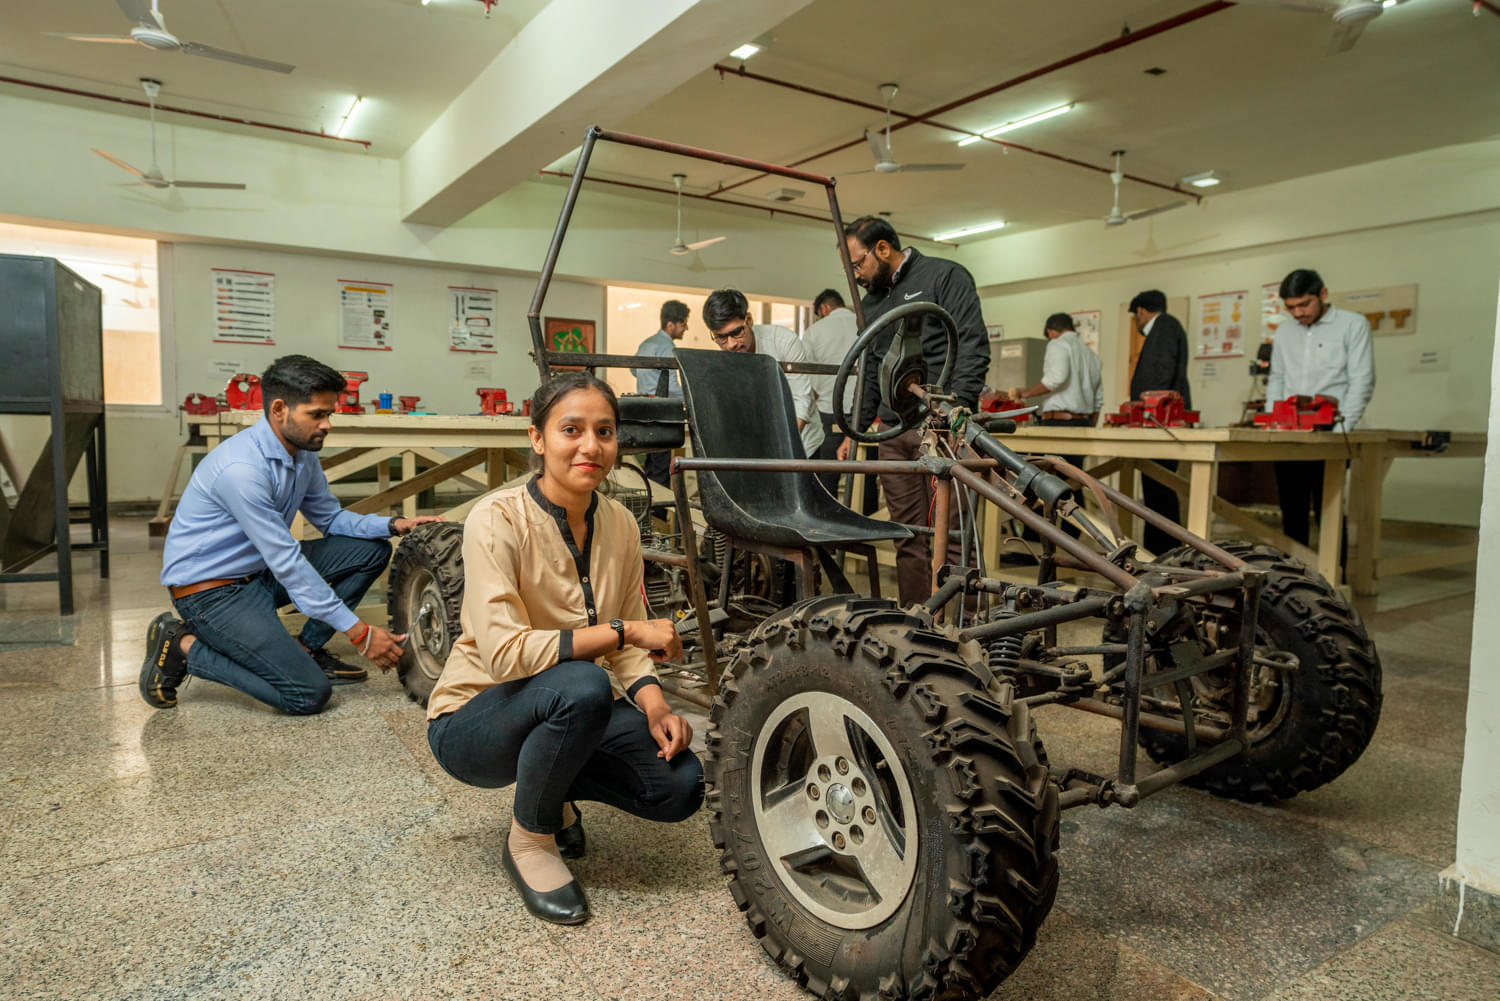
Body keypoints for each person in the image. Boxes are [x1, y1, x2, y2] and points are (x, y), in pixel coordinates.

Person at [425, 372, 702, 926]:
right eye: (571, 429)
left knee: (679, 785)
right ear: (537, 438)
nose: (590, 446)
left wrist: (656, 706)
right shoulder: (495, 518)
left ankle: (552, 790)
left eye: (604, 431)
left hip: (566, 706)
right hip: (473, 720)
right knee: (583, 684)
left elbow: (626, 640)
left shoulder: (620, 523)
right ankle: (529, 841)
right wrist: (628, 632)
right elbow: (505, 655)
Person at [141, 354, 444, 715]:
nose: (328, 424)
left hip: (258, 572)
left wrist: (395, 525)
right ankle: (183, 647)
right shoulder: (242, 470)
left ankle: (307, 649)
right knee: (307, 694)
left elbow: (330, 519)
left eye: (330, 413)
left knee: (371, 550)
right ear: (280, 409)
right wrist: (360, 634)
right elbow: (288, 563)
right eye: (317, 414)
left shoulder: (302, 456)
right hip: (212, 593)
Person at [835, 215, 990, 606]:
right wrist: (853, 430)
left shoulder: (945, 276)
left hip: (940, 430)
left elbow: (971, 344)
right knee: (907, 536)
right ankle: (915, 623)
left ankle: (964, 628)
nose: (856, 276)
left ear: (882, 249)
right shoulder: (872, 302)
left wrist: (957, 414)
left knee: (952, 537)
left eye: (858, 264)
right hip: (893, 433)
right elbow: (871, 366)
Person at [1266, 268, 1376, 545]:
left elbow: (1362, 379)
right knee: (1292, 510)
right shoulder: (1284, 331)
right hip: (1289, 430)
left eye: (1305, 304)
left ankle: (1334, 577)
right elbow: (1277, 378)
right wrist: (1273, 420)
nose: (1299, 313)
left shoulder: (1353, 325)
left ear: (1323, 294)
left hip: (1331, 430)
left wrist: (1343, 427)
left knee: (1329, 512)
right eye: (1291, 307)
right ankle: (1293, 576)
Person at [702, 288, 824, 460]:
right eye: (721, 338)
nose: (730, 345)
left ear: (749, 320)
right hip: (756, 450)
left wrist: (779, 448)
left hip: (802, 443)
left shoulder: (783, 342)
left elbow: (802, 400)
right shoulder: (723, 360)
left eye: (736, 332)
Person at [1128, 289, 1192, 554]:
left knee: (1159, 488)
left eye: (1136, 317)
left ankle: (1164, 550)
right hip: (1158, 420)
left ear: (1142, 311)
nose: (1136, 322)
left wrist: (1149, 407)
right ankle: (1161, 549)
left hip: (1159, 421)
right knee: (1156, 489)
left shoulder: (1164, 326)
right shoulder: (1168, 327)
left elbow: (1161, 371)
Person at [1007, 312, 1103, 470]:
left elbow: (1055, 379)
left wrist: (1027, 393)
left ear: (1050, 331)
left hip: (1058, 424)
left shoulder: (1057, 344)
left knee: (1053, 483)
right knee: (1074, 477)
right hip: (1084, 423)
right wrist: (1089, 427)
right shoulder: (1092, 356)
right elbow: (1098, 400)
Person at [801, 288, 860, 495]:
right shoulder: (863, 324)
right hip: (863, 414)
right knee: (866, 478)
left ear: (824, 308)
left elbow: (806, 379)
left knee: (826, 479)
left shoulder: (815, 331)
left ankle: (829, 524)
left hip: (829, 412)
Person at [631, 299, 689, 485]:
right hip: (661, 415)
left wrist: (647, 381)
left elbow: (633, 370)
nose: (686, 328)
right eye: (683, 323)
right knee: (661, 470)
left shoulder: (645, 344)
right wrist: (690, 399)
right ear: (670, 324)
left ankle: (652, 510)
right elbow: (671, 387)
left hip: (644, 412)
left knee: (651, 466)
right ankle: (660, 513)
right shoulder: (667, 347)